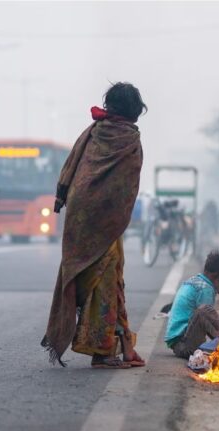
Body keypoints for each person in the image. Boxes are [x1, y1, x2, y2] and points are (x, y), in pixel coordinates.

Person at [42, 82, 147, 369]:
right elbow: (125, 187)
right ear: (134, 110)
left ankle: (125, 345)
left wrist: (62, 195)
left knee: (107, 276)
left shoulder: (93, 132)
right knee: (105, 279)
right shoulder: (129, 138)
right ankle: (103, 352)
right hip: (106, 219)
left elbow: (72, 167)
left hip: (80, 214)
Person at [164, 251, 219, 359]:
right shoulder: (206, 289)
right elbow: (207, 317)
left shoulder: (195, 281)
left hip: (178, 343)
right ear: (216, 277)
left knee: (211, 316)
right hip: (184, 345)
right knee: (205, 311)